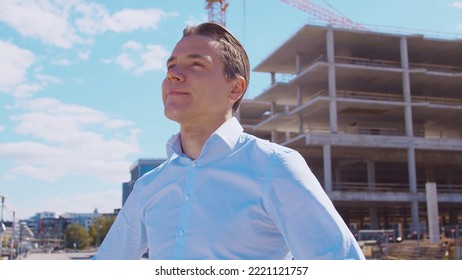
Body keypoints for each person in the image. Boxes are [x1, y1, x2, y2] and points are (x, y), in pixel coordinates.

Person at [93, 22, 365, 260]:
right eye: (171, 66)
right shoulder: (148, 187)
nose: (172, 75)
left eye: (196, 64)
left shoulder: (275, 167)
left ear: (235, 88)